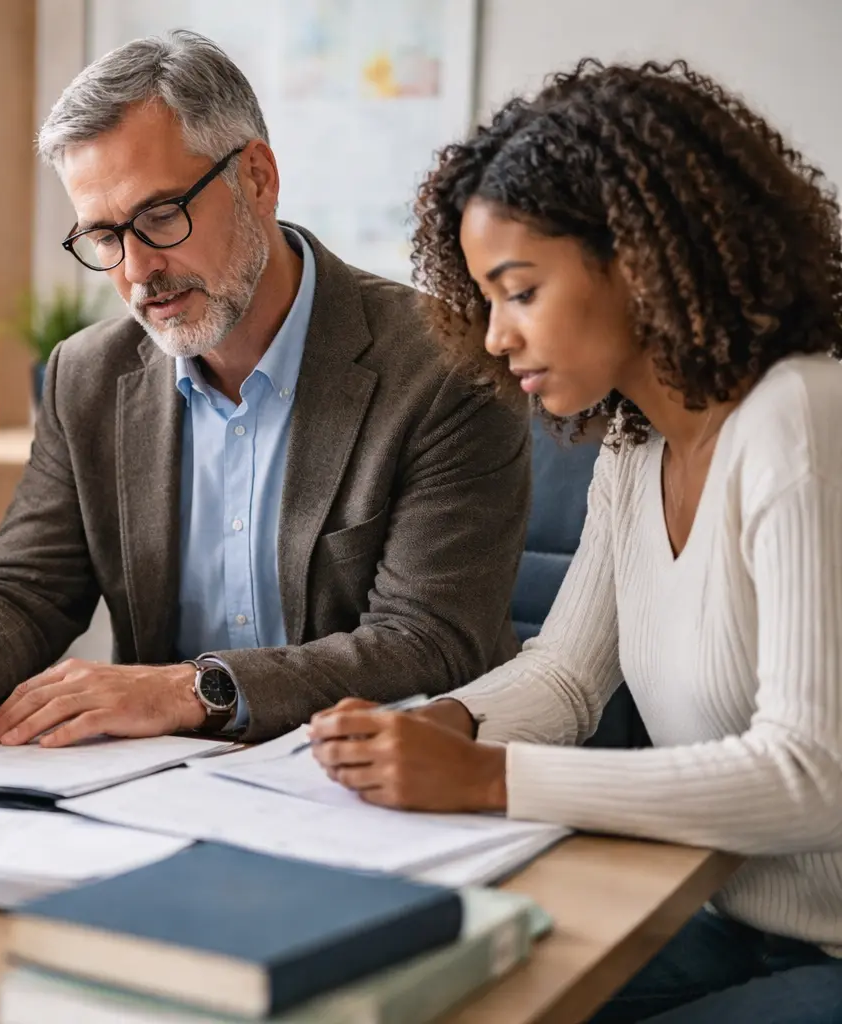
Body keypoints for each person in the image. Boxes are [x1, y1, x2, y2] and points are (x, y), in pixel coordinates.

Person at [310, 60, 842, 1022]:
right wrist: (452, 722)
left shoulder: (797, 418)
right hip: (717, 907)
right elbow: (565, 674)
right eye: (484, 298)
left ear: (639, 256)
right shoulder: (635, 447)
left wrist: (486, 777)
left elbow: (813, 776)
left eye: (519, 291)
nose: (496, 335)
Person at [0, 30, 530, 745]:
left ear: (259, 178)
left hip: (379, 783)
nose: (137, 269)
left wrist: (195, 689)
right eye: (104, 236)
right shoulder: (87, 375)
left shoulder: (445, 363)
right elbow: (27, 585)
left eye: (158, 216)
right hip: (157, 787)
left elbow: (426, 641)